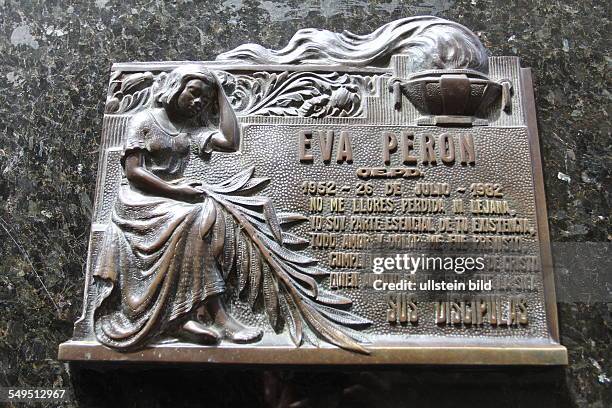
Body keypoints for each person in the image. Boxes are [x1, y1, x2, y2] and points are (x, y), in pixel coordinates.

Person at [93, 64, 262, 350]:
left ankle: (190, 315)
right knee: (191, 216)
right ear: (175, 87)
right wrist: (175, 191)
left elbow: (230, 141)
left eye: (204, 101)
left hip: (173, 198)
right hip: (138, 199)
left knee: (207, 214)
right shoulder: (143, 120)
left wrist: (220, 93)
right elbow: (134, 172)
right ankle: (206, 317)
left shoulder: (188, 129)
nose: (198, 103)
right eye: (194, 93)